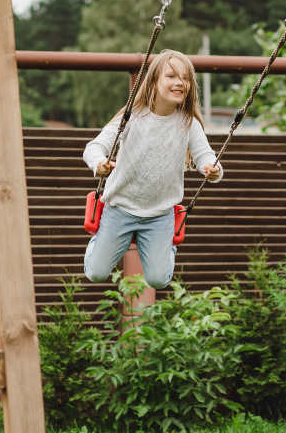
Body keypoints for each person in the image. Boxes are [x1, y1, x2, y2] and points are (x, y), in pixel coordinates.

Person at [82, 49, 223, 288]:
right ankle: (101, 242)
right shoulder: (132, 117)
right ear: (154, 80)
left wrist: (213, 168)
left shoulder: (188, 123)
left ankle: (167, 245)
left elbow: (206, 156)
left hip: (160, 215)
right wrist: (99, 163)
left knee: (159, 281)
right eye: (172, 76)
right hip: (120, 208)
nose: (180, 82)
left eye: (186, 78)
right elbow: (94, 147)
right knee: (96, 273)